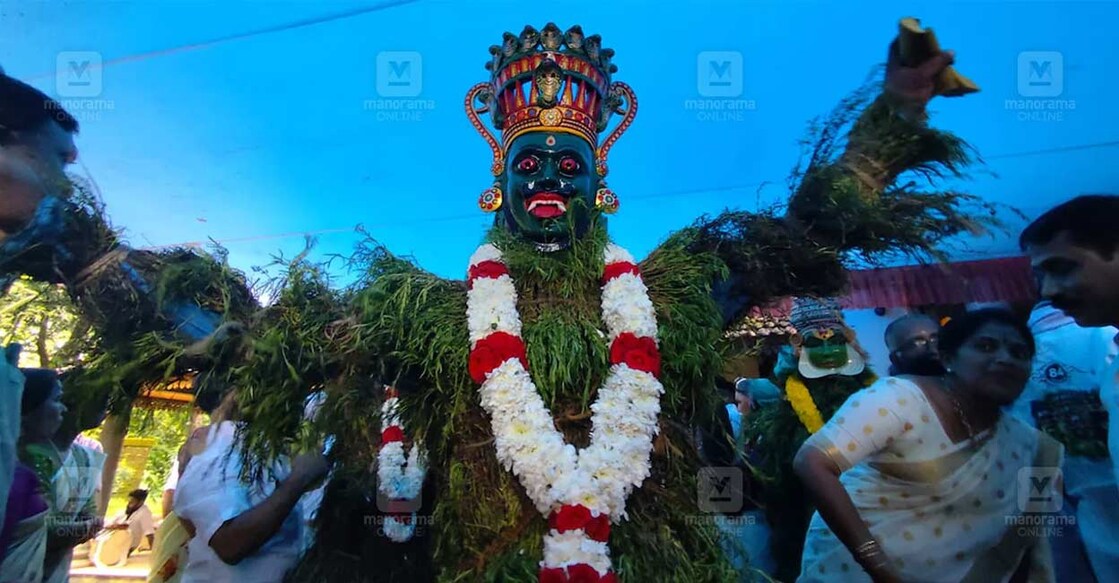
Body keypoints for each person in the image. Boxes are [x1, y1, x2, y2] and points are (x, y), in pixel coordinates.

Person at [794, 308, 1062, 582]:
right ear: (948, 357)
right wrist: (879, 567)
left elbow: (1024, 540)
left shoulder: (1029, 444)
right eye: (986, 346)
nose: (1004, 359)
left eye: (1019, 353)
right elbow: (813, 462)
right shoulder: (898, 398)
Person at [173, 375, 328, 582]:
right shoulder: (220, 448)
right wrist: (297, 480)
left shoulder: (248, 445)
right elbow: (229, 544)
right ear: (238, 395)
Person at [18, 368, 102, 583]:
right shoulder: (28, 456)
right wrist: (85, 527)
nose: (106, 405)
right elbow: (44, 530)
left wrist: (82, 526)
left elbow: (89, 514)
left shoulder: (85, 456)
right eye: (99, 395)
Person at [0, 361, 54, 582]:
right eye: (57, 400)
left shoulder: (27, 470)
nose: (65, 409)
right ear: (25, 411)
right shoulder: (13, 479)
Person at [103, 489, 156, 553]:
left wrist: (153, 550)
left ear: (140, 502)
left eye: (132, 501)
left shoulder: (144, 513)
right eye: (129, 501)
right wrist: (114, 526)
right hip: (112, 541)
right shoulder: (125, 511)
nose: (129, 503)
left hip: (125, 546)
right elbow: (109, 524)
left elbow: (149, 533)